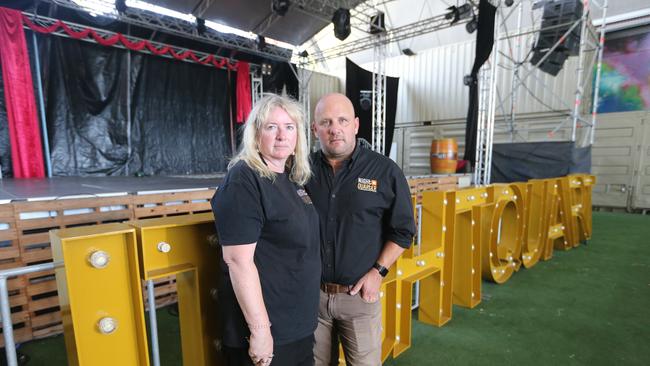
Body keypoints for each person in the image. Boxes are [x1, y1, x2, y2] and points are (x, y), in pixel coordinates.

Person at [306, 93, 415, 365]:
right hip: (311, 297)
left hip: (358, 297)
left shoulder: (385, 171)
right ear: (314, 128)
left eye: (342, 120)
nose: (335, 129)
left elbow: (403, 231)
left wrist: (378, 272)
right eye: (326, 122)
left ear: (355, 125)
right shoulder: (301, 170)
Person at [211, 94, 320, 366]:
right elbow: (238, 261)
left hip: (297, 324)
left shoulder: (292, 179)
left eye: (289, 127)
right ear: (256, 135)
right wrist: (261, 332)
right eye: (271, 127)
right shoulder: (244, 178)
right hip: (268, 331)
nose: (282, 135)